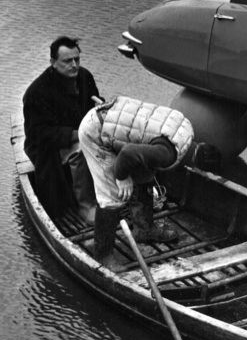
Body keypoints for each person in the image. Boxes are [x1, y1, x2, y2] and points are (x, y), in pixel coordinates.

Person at [78, 96, 194, 259]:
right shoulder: (168, 154)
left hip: (117, 123)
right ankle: (103, 257)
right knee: (112, 195)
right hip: (96, 131)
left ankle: (143, 230)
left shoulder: (187, 130)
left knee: (145, 173)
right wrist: (121, 177)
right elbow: (128, 153)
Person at [23, 36, 101, 223]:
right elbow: (37, 134)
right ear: (53, 62)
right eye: (67, 61)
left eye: (77, 59)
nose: (74, 65)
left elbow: (93, 105)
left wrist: (102, 110)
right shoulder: (36, 93)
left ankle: (111, 195)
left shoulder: (84, 76)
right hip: (47, 146)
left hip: (81, 133)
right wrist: (75, 135)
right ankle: (86, 206)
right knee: (80, 151)